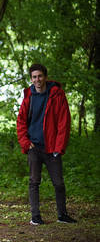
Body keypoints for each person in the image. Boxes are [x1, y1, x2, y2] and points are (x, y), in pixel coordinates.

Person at [16, 63, 76, 225]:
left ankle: (62, 215)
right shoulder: (28, 96)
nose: (37, 80)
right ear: (31, 79)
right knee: (34, 182)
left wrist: (59, 147)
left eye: (40, 76)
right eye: (34, 77)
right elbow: (21, 121)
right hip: (34, 147)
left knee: (58, 183)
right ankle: (35, 216)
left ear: (45, 77)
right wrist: (26, 143)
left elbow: (64, 122)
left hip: (52, 148)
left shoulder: (57, 95)